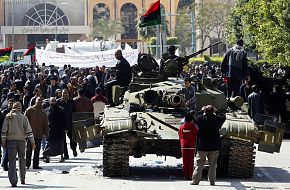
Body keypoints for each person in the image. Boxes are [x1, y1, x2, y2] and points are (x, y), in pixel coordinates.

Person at [1, 102, 35, 187]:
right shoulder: (24, 117)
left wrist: (3, 141)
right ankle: (22, 178)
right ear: (20, 108)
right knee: (22, 160)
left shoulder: (8, 117)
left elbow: (4, 131)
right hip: (22, 141)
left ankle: (13, 181)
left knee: (12, 161)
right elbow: (29, 131)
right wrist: (32, 142)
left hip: (11, 141)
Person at [191, 105, 226, 186]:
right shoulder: (217, 119)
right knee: (213, 165)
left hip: (202, 146)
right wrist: (216, 111)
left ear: (205, 111)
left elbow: (193, 116)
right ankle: (212, 181)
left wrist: (201, 110)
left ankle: (195, 181)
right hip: (214, 146)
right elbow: (224, 117)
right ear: (213, 111)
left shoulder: (200, 119)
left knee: (199, 164)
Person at [24, 96, 48, 169]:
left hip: (39, 134)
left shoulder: (43, 112)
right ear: (35, 101)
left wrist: (46, 134)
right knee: (29, 150)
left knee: (37, 150)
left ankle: (35, 165)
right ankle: (27, 164)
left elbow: (45, 124)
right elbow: (24, 122)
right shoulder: (29, 110)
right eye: (38, 100)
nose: (40, 101)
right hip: (30, 134)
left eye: (41, 100)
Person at [43, 97, 68, 163]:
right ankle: (47, 157)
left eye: (54, 101)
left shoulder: (61, 109)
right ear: (49, 102)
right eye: (52, 101)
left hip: (59, 130)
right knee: (49, 144)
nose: (53, 102)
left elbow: (65, 120)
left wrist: (65, 128)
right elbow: (44, 121)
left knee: (60, 144)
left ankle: (62, 157)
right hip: (50, 130)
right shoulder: (46, 110)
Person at [57, 89, 77, 159]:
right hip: (61, 124)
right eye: (63, 94)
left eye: (66, 93)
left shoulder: (72, 102)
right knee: (63, 140)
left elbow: (75, 112)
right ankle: (66, 154)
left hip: (70, 123)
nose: (64, 95)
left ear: (68, 94)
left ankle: (74, 149)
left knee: (73, 138)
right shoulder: (58, 102)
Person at [178, 113, 198, 180]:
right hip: (191, 146)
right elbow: (196, 133)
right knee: (191, 162)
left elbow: (180, 135)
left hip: (183, 146)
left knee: (185, 162)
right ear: (192, 120)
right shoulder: (193, 127)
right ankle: (190, 175)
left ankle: (186, 176)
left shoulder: (181, 127)